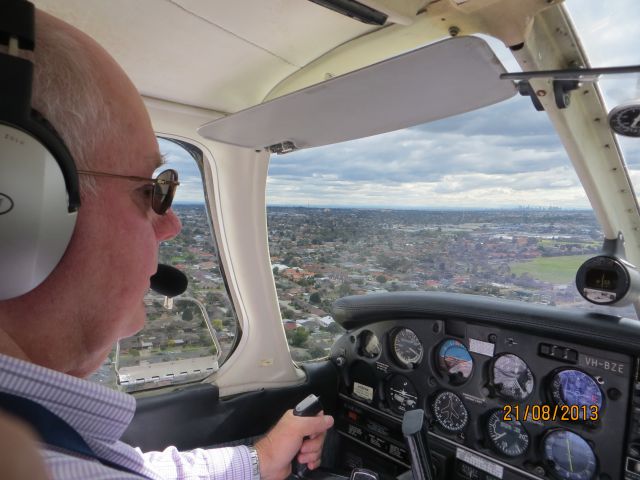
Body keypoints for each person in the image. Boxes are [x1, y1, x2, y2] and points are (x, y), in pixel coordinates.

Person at [0, 7, 333, 480]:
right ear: (18, 201)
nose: (171, 224)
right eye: (152, 189)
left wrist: (254, 461)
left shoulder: (35, 441)